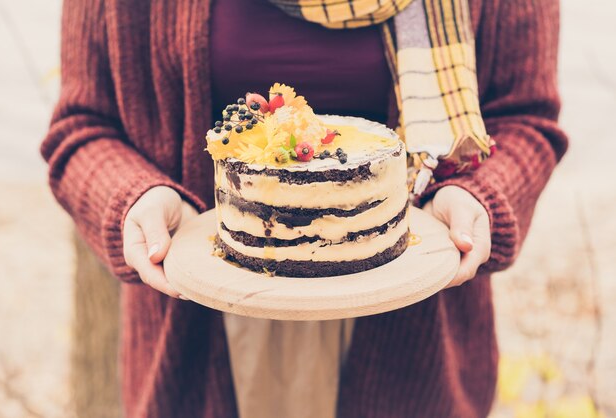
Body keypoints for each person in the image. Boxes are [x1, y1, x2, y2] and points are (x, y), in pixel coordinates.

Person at [41, 0, 568, 417]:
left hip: (414, 325)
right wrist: (135, 198)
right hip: (204, 320)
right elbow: (82, 126)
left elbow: (526, 118)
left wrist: (476, 194)